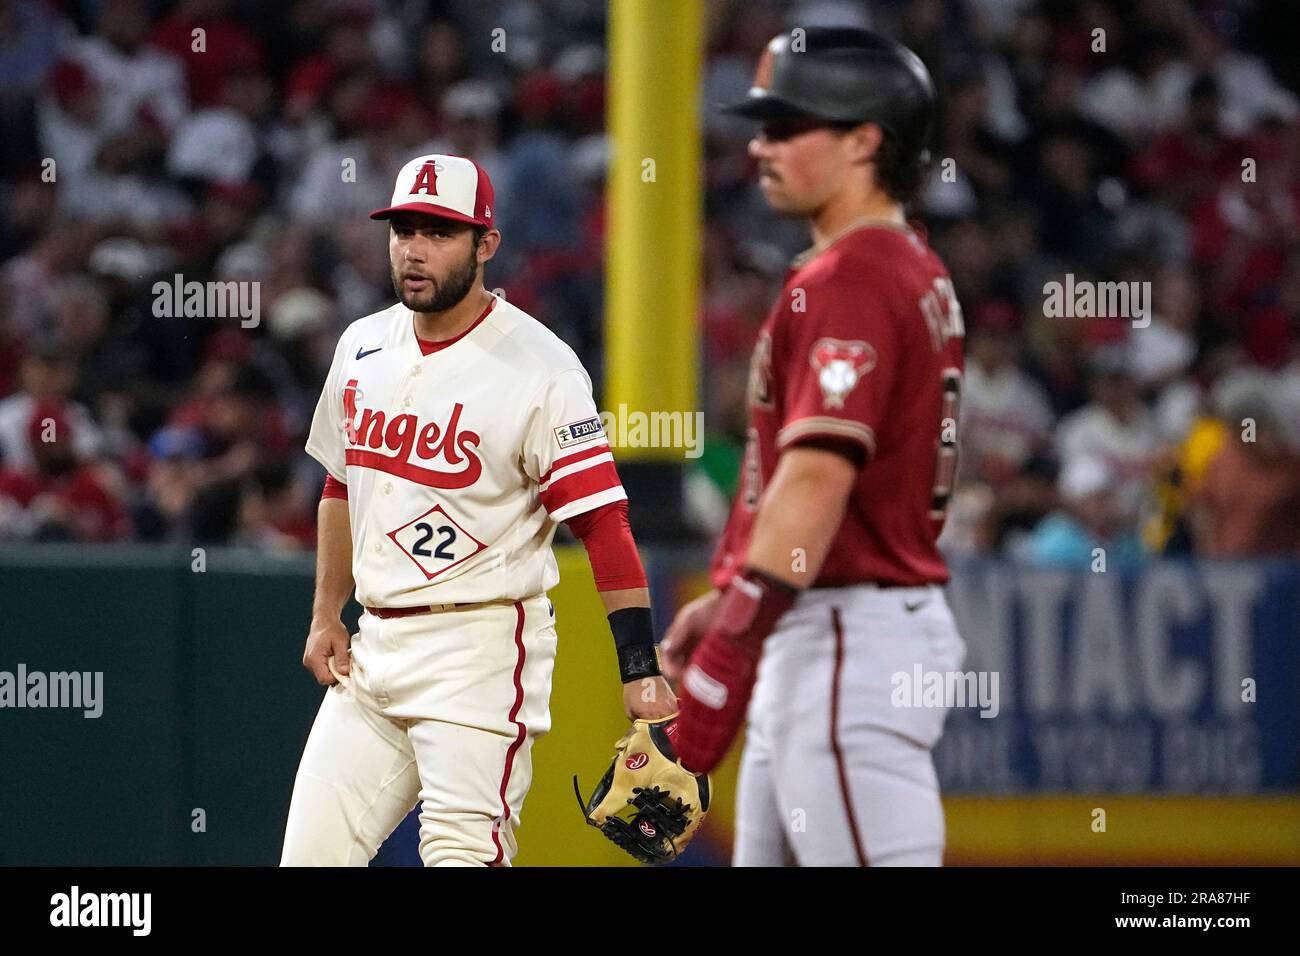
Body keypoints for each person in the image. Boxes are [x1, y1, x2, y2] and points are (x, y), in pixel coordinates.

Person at [280, 154, 674, 867]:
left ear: (485, 245)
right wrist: (325, 612)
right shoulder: (361, 344)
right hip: (373, 653)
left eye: (439, 232)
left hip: (480, 649)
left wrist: (639, 665)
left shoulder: (540, 366)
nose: (414, 249)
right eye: (404, 229)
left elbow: (602, 523)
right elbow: (340, 484)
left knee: (462, 856)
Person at [662, 28, 967, 867]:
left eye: (789, 124)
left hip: (844, 634)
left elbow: (819, 480)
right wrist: (734, 599)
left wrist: (734, 637)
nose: (761, 145)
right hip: (829, 623)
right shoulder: (904, 264)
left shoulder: (855, 277)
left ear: (865, 141)